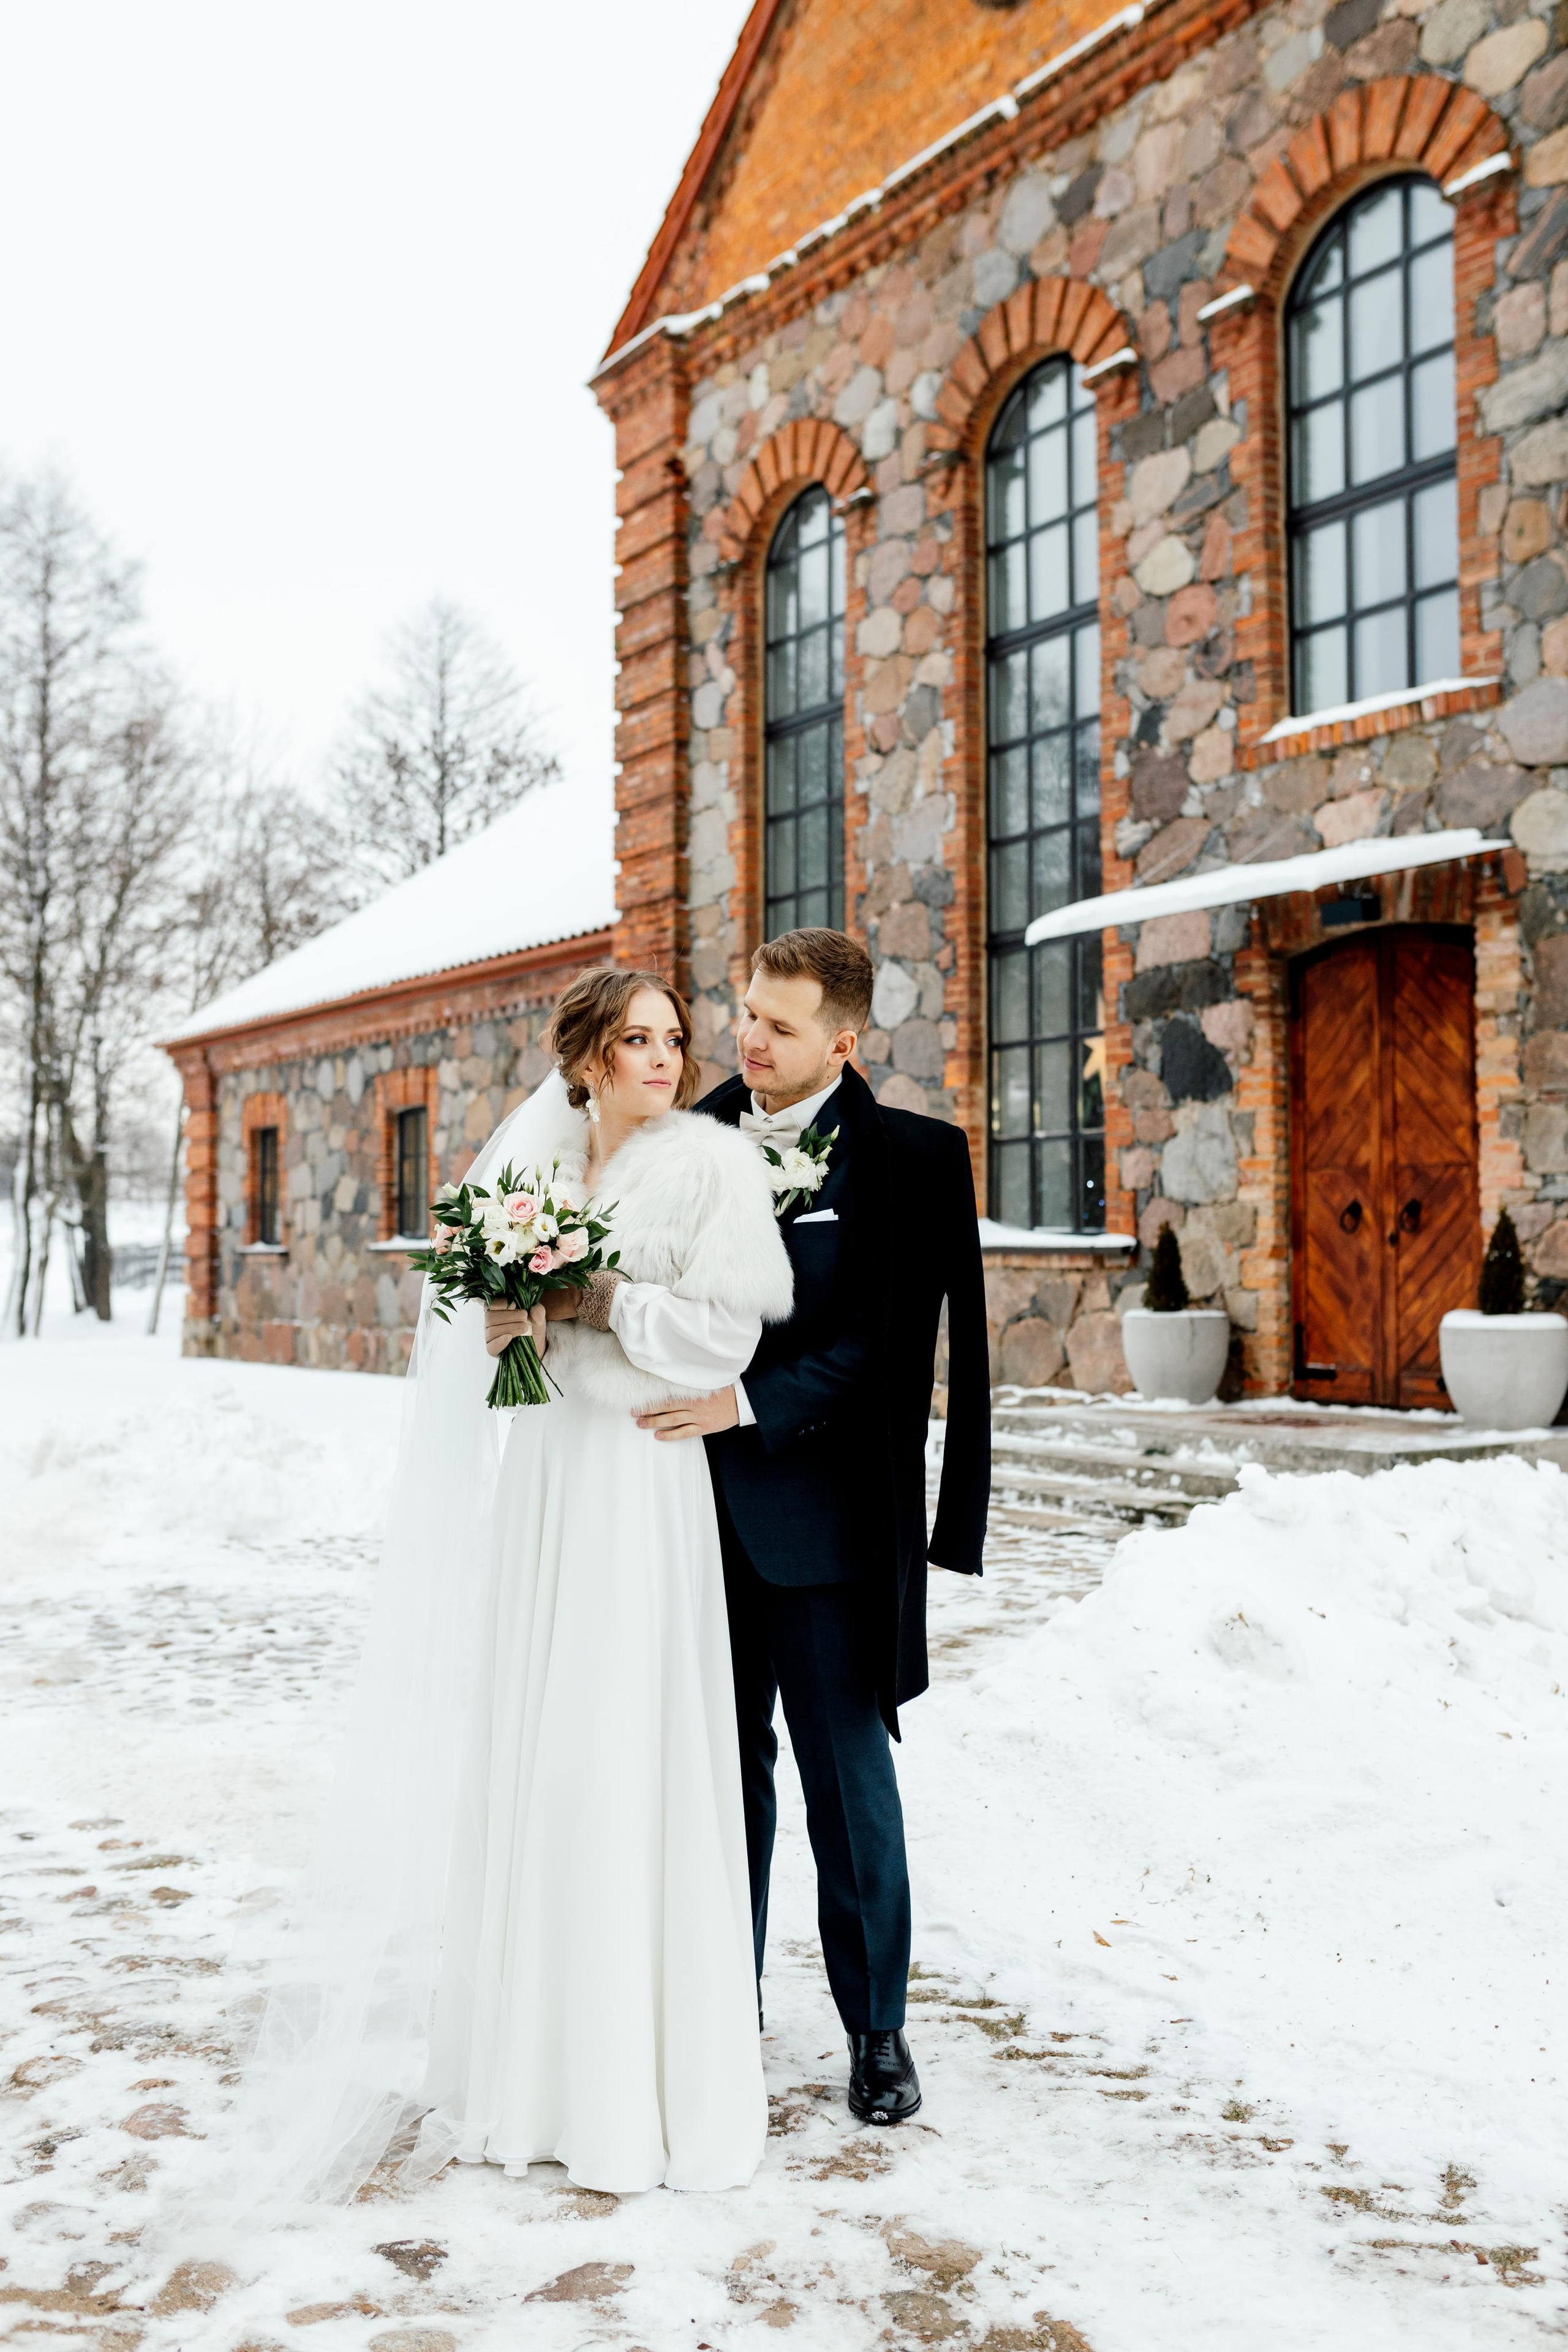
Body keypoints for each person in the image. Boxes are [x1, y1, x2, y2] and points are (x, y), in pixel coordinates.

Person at [228, 968, 793, 2203]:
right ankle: (531, 2071)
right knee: (545, 1743)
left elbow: (723, 1335)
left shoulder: (710, 1169)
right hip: (548, 1478)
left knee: (623, 1741)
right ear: (587, 1057)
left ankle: (634, 2082)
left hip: (643, 1477)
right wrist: (509, 1326)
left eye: (673, 1039)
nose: (665, 1057)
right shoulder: (529, 1179)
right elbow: (484, 1341)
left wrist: (600, 1297)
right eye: (638, 1039)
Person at [636, 929, 991, 2127]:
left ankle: (875, 2030)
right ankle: (712, 1999)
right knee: (713, 1778)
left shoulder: (911, 1162)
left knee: (848, 1785)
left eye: (778, 1025)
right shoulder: (676, 1146)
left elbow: (886, 1350)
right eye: (743, 1014)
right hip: (684, 1517)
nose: (748, 1040)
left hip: (827, 1530)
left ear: (844, 1040)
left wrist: (744, 1402)